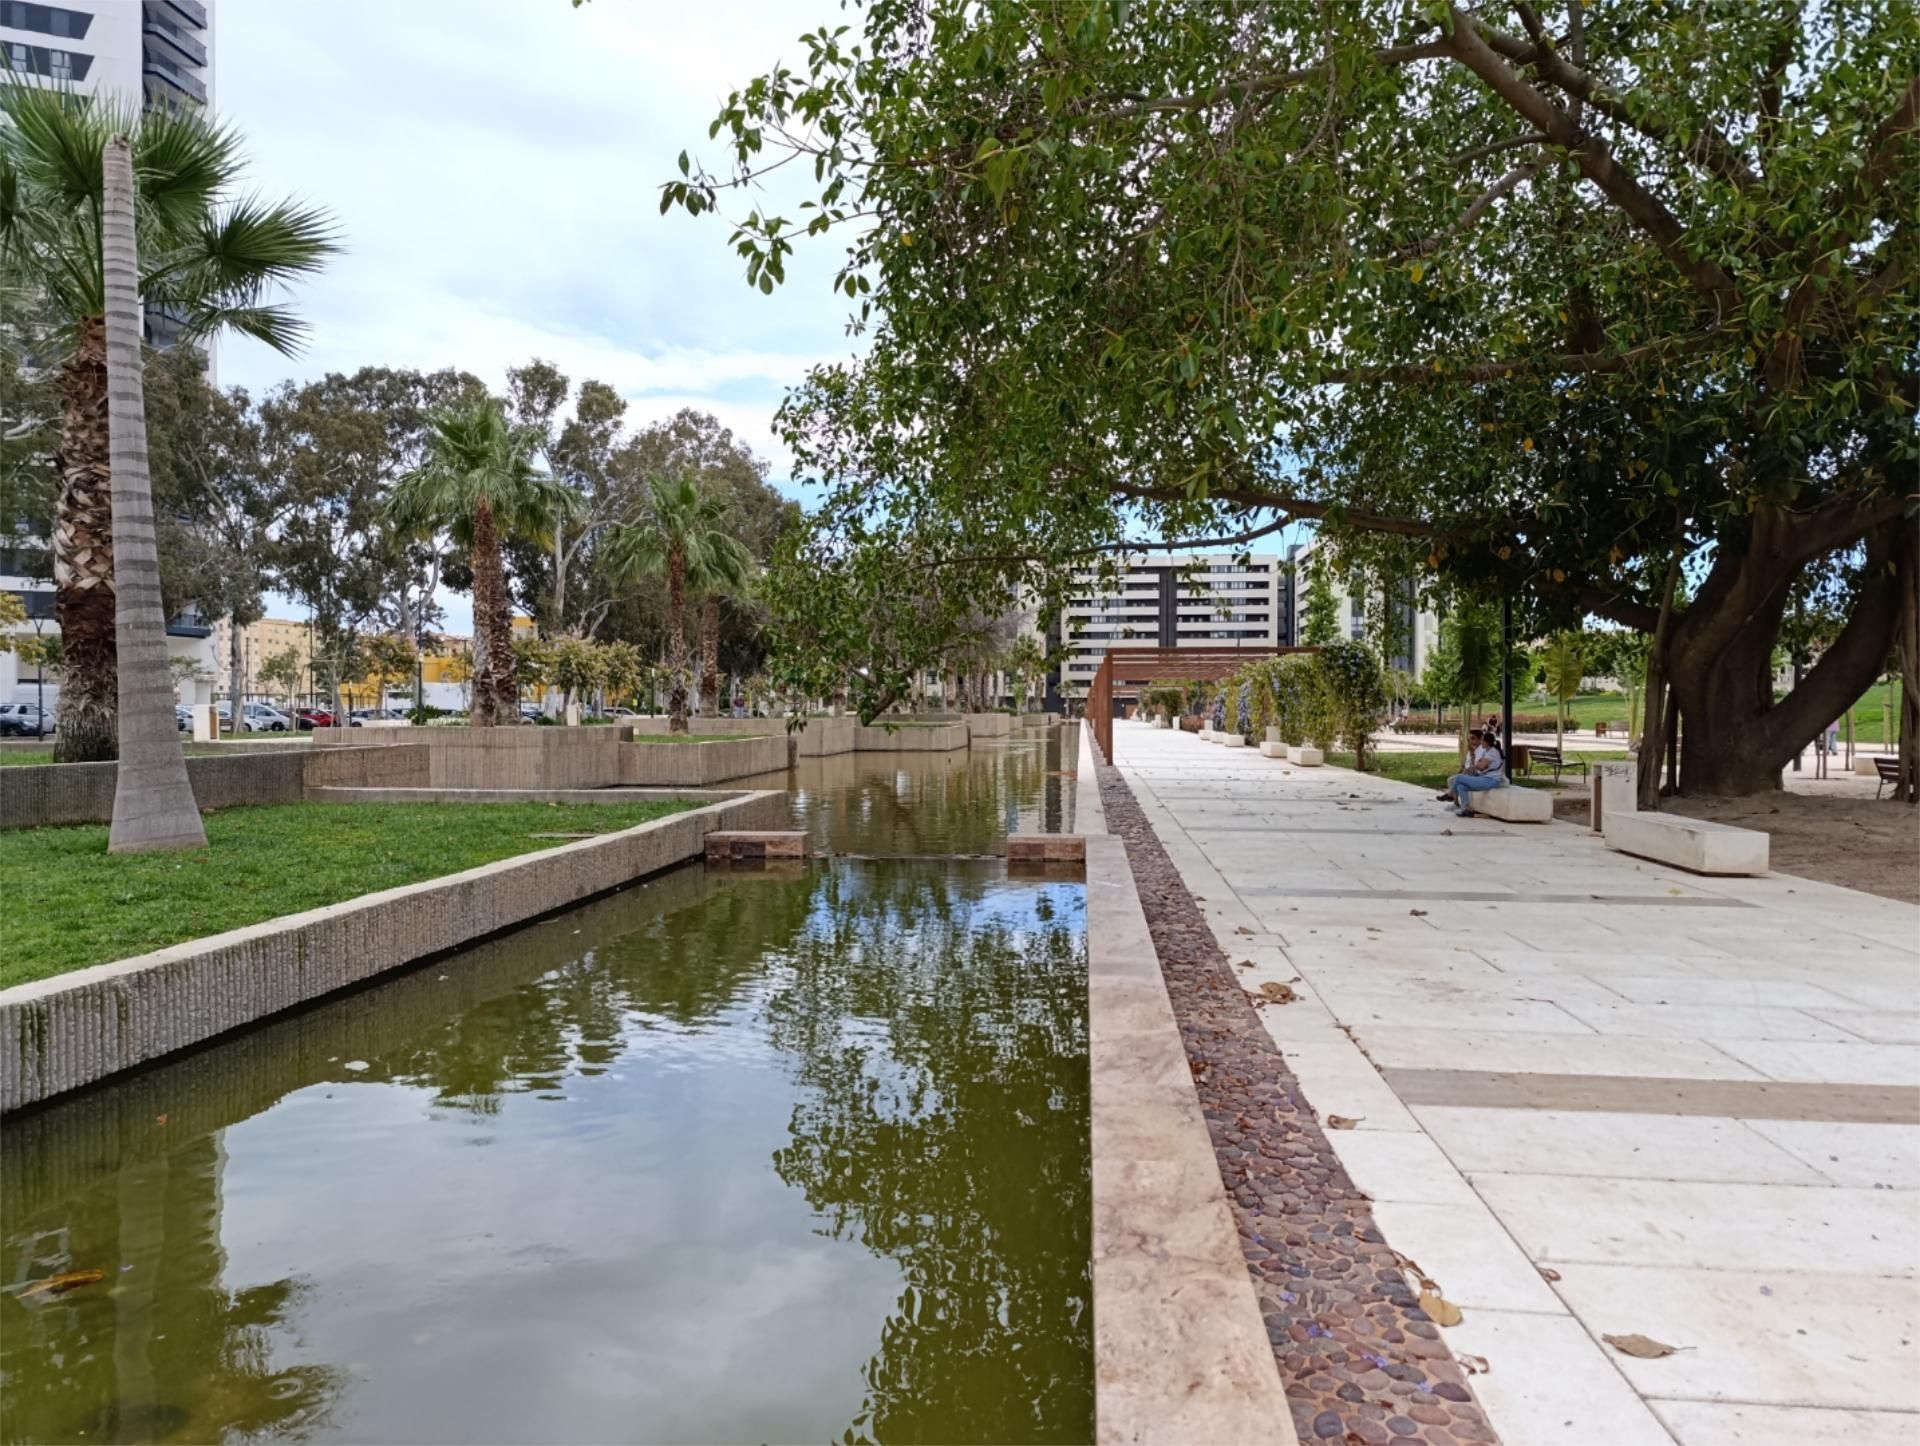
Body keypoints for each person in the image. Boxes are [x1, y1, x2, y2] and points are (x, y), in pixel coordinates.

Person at [1438, 727, 1506, 816]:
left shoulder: (1492, 752)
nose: (1481, 743)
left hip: (1490, 780)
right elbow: (1482, 766)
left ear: (1485, 742)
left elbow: (1481, 767)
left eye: (1482, 741)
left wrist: (1476, 765)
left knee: (1459, 778)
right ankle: (1466, 809)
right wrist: (1476, 764)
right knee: (1461, 787)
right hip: (1485, 779)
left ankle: (1450, 795)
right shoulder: (1488, 751)